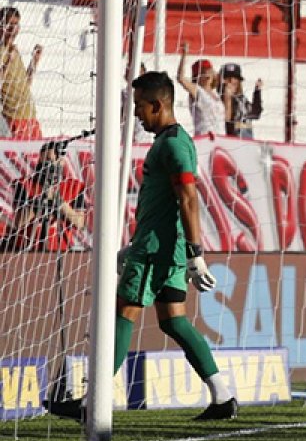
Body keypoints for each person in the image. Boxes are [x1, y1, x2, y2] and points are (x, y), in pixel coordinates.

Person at [48, 71, 237, 422]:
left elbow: (188, 198)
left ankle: (92, 402)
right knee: (173, 322)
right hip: (157, 246)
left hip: (157, 250)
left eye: (138, 106)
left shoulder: (172, 144)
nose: (135, 113)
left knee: (120, 315)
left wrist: (196, 253)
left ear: (157, 104)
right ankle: (222, 395)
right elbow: (171, 201)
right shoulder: (173, 140)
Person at [1, 139, 85, 251]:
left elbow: (79, 223)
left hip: (61, 249)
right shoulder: (24, 184)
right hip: (28, 250)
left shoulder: (75, 187)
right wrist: (40, 199)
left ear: (61, 162)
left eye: (50, 160)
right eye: (42, 160)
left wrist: (58, 202)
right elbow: (19, 222)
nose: (45, 165)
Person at [0, 6, 43, 139]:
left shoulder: (13, 50)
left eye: (16, 24)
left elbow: (26, 83)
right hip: (13, 118)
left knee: (40, 157)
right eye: (9, 24)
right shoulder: (2, 51)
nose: (13, 29)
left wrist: (34, 61)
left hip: (29, 115)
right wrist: (8, 63)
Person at [176, 43, 224, 137]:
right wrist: (184, 54)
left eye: (209, 70)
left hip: (220, 136)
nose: (207, 74)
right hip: (205, 136)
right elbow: (180, 78)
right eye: (202, 72)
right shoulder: (197, 91)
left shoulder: (216, 94)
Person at [219, 63, 262, 139]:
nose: (232, 81)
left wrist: (257, 92)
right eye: (228, 79)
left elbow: (255, 113)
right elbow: (226, 125)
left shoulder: (241, 99)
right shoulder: (218, 100)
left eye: (235, 78)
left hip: (247, 141)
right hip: (232, 142)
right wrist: (228, 99)